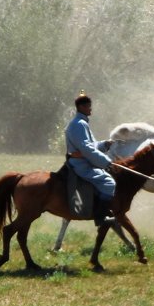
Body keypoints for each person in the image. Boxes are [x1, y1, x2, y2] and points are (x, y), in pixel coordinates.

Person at [65, 94, 117, 230]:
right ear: (81, 107)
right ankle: (101, 217)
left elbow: (91, 145)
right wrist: (107, 162)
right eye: (88, 106)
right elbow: (86, 149)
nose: (90, 109)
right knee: (109, 182)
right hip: (81, 164)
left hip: (84, 161)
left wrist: (104, 144)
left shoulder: (82, 123)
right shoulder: (79, 124)